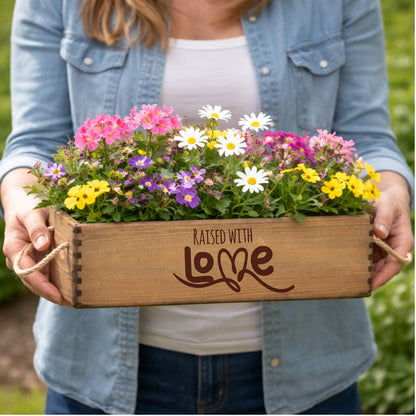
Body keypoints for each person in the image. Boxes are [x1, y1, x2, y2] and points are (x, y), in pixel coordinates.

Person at [0, 0, 414, 414]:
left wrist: (391, 189)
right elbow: (36, 145)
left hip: (307, 367)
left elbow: (367, 139)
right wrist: (21, 197)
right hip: (102, 370)